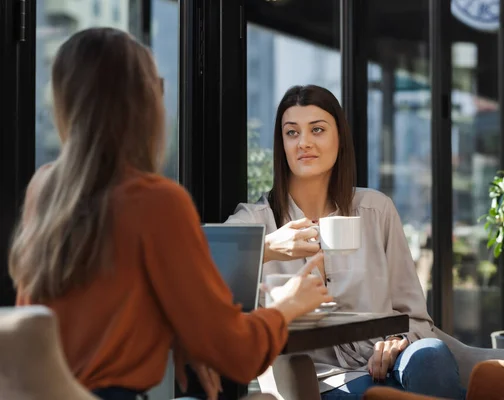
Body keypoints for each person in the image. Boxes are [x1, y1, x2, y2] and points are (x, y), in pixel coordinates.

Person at [9, 28, 332, 400]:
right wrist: (289, 302)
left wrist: (178, 336)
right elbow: (240, 355)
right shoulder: (156, 201)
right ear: (144, 103)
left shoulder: (43, 189)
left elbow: (93, 312)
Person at [227, 85, 466, 399]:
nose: (304, 143)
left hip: (392, 366)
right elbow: (198, 264)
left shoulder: (376, 210)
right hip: (321, 382)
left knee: (431, 355)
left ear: (339, 139)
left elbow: (417, 318)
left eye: (317, 129)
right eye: (292, 132)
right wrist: (268, 248)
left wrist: (400, 343)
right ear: (282, 144)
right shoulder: (257, 220)